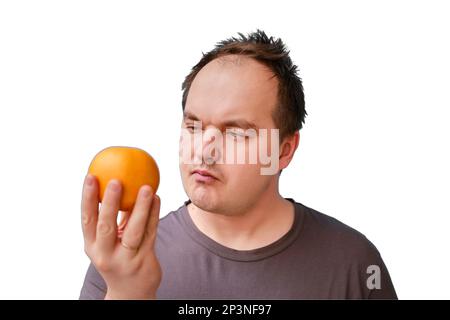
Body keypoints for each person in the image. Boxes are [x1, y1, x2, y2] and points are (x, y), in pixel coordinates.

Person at [79, 30, 397, 299]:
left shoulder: (355, 263)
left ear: (285, 150)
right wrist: (127, 293)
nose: (205, 152)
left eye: (236, 133)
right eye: (193, 127)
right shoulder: (121, 260)